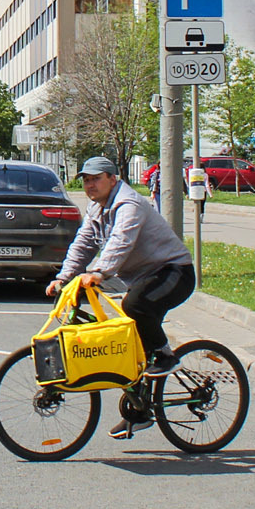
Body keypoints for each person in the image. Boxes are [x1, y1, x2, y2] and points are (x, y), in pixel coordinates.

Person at [47, 155, 196, 440]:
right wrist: (63, 278)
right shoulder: (97, 208)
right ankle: (140, 411)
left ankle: (166, 357)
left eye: (96, 179)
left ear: (113, 179)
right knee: (127, 341)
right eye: (86, 180)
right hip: (143, 278)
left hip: (174, 272)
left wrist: (99, 272)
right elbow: (82, 244)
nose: (90, 185)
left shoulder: (129, 204)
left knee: (134, 305)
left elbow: (121, 241)